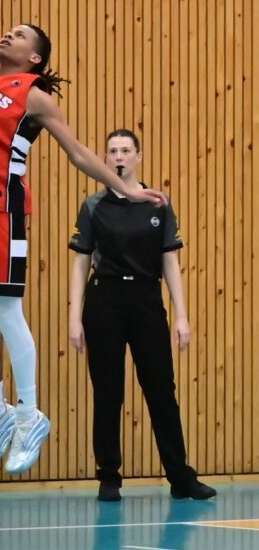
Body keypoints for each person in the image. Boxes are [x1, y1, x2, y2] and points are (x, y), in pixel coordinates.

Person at [0, 13, 168, 474]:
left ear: (34, 58)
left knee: (6, 311)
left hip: (2, 210)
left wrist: (126, 190)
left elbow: (79, 153)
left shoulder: (34, 96)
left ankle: (29, 415)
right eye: (9, 29)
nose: (8, 33)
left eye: (21, 35)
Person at [68, 128, 216, 502]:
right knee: (108, 391)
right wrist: (74, 317)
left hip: (146, 299)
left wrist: (181, 315)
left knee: (161, 390)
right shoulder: (93, 206)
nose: (119, 157)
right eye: (112, 151)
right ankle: (109, 477)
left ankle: (180, 477)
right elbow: (81, 262)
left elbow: (171, 261)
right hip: (105, 301)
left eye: (125, 150)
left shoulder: (158, 204)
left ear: (139, 156)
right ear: (105, 158)